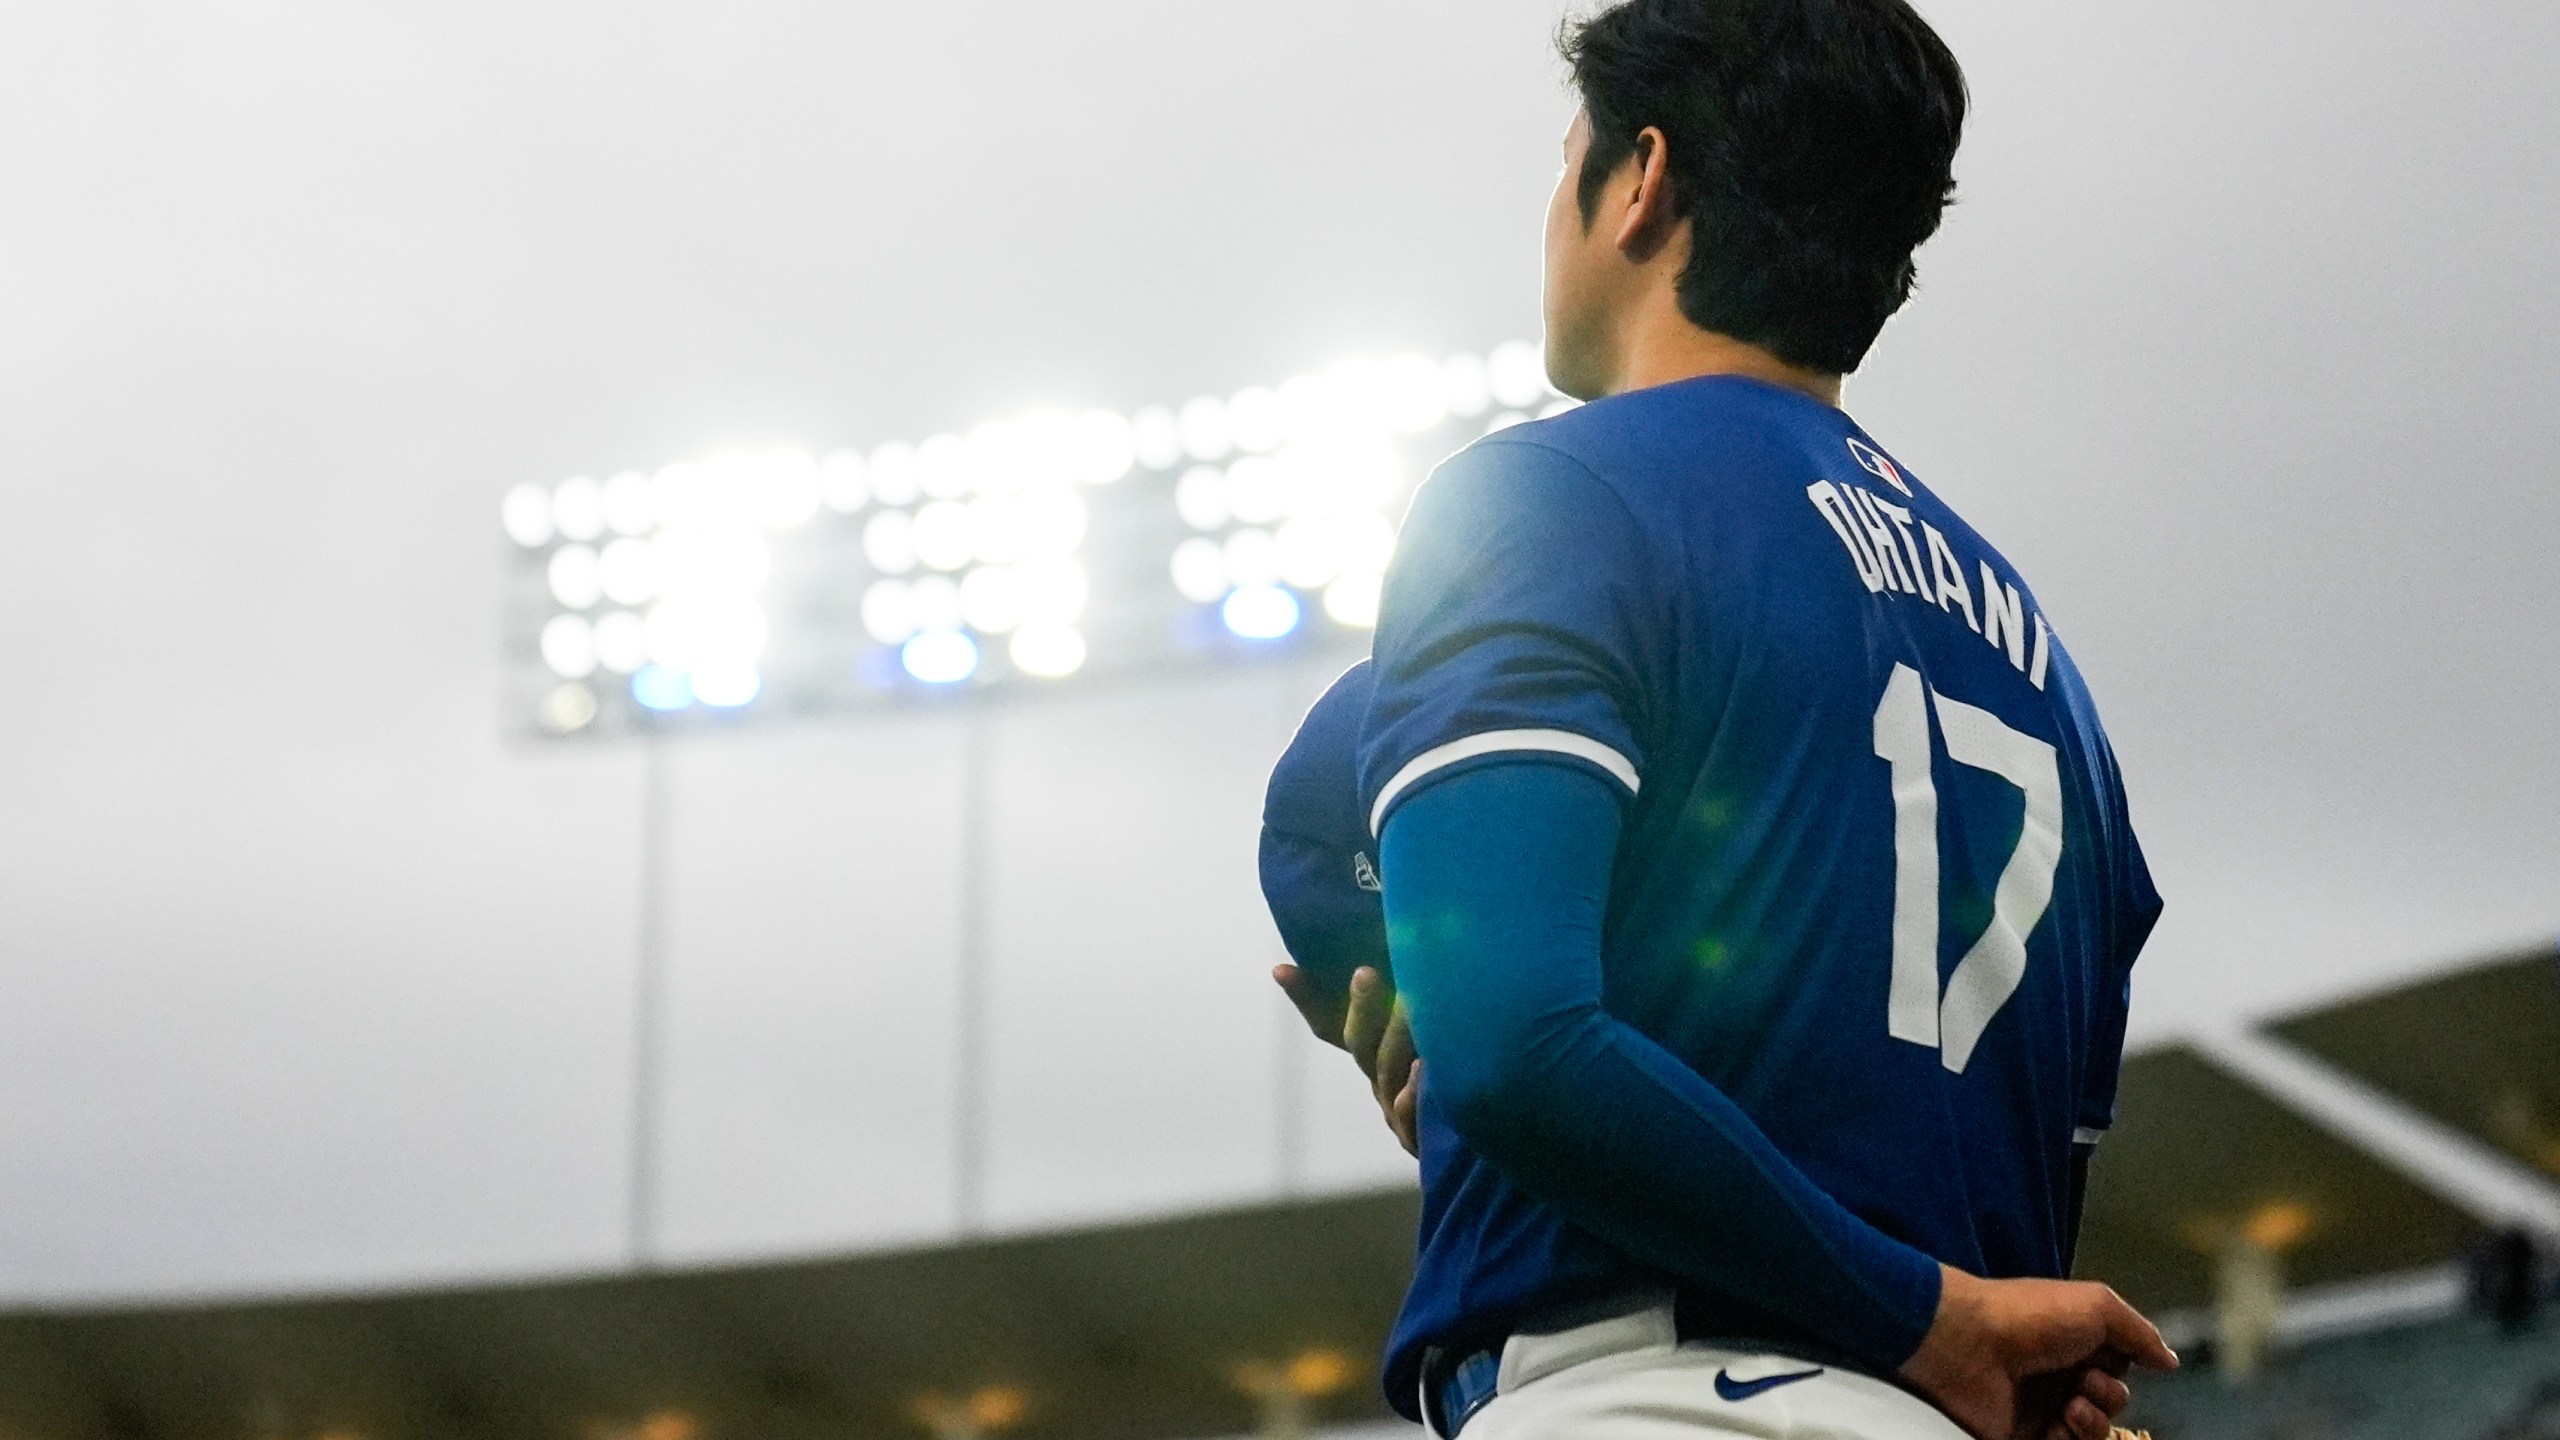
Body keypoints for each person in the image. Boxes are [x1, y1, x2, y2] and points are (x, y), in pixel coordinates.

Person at [1257, 3, 2175, 1437]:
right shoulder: (2051, 671)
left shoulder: (1556, 495)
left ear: (1640, 180)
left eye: (1568, 158)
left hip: (1655, 1399)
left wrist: (1477, 1044)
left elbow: (1503, 1036)